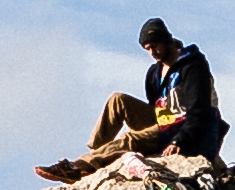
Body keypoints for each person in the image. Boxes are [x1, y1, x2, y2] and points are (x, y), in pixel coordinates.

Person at [41, 20, 224, 180]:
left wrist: (179, 141)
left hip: (187, 127)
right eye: (148, 49)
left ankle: (76, 167)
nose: (153, 52)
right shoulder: (155, 73)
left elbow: (199, 111)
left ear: (167, 40)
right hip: (164, 120)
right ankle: (97, 155)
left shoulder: (192, 66)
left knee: (129, 140)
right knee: (118, 100)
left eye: (155, 46)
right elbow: (155, 106)